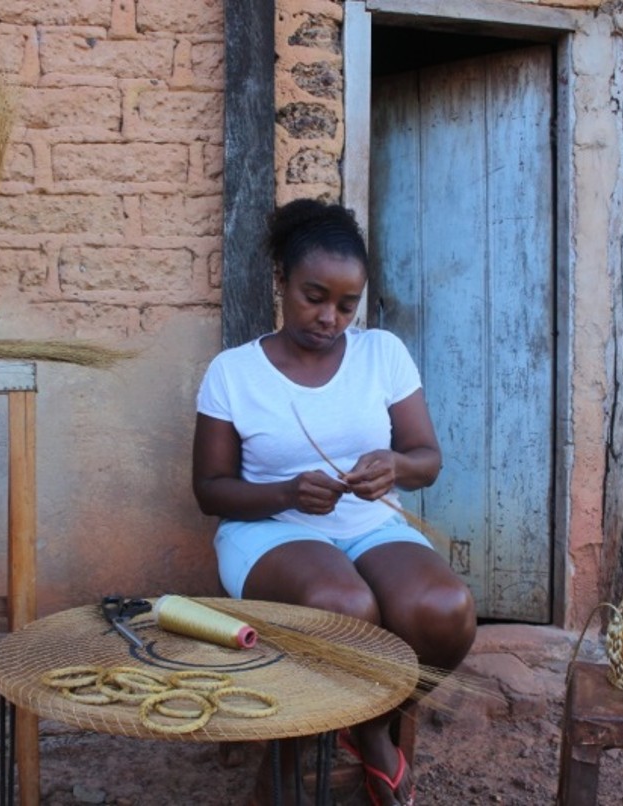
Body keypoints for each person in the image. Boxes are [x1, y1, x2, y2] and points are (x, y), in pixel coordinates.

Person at [192, 198, 477, 806]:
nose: (330, 317)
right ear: (281, 281)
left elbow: (426, 458)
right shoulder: (233, 372)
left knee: (446, 608)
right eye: (314, 296)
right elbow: (209, 490)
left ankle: (370, 729)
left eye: (348, 304)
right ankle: (295, 752)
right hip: (267, 530)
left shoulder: (383, 355)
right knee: (342, 602)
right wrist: (287, 492)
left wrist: (394, 466)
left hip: (370, 522)